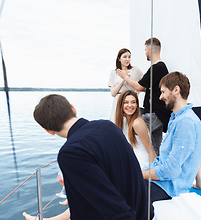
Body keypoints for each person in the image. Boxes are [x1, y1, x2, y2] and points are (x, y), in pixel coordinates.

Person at [23, 94, 152, 220]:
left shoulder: (70, 153)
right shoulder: (108, 126)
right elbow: (115, 177)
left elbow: (114, 209)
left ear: (48, 130)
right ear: (73, 108)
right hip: (144, 210)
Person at [142, 71, 201, 201]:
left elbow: (170, 170)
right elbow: (193, 153)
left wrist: (139, 174)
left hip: (166, 188)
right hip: (161, 182)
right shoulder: (178, 118)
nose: (160, 97)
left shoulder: (185, 122)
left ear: (176, 90)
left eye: (163, 92)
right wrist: (199, 185)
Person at [117, 38, 171, 156]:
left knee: (130, 135)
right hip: (161, 115)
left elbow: (139, 87)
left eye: (145, 50)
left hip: (154, 113)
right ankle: (156, 169)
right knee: (156, 146)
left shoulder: (156, 68)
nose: (145, 53)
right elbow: (147, 88)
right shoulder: (161, 68)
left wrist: (125, 77)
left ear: (149, 50)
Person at [115, 90, 156, 170]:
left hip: (142, 165)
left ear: (137, 105)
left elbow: (150, 149)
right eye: (126, 102)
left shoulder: (137, 123)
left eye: (133, 102)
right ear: (121, 105)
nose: (130, 105)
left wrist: (156, 171)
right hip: (132, 163)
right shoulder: (124, 122)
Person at [108, 48, 143, 122]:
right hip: (118, 100)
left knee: (132, 122)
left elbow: (144, 85)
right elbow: (113, 93)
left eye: (129, 57)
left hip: (131, 101)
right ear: (119, 59)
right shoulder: (114, 73)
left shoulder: (135, 70)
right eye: (125, 57)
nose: (127, 59)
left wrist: (137, 94)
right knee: (118, 123)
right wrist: (123, 78)